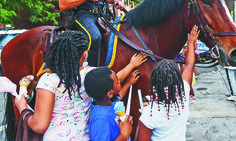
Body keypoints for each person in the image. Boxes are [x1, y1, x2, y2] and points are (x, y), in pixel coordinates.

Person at [14, 31, 147, 140]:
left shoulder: (48, 81)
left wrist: (22, 107)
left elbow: (39, 125)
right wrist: (131, 65)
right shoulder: (90, 75)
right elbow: (113, 79)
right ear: (84, 55)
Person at [134, 25, 200, 141]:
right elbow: (189, 64)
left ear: (154, 84)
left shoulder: (149, 113)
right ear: (178, 81)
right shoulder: (183, 94)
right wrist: (191, 43)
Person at [84, 66, 140, 141]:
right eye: (117, 81)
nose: (119, 81)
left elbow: (119, 96)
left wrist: (128, 84)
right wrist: (124, 136)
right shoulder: (100, 120)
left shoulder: (105, 102)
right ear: (110, 94)